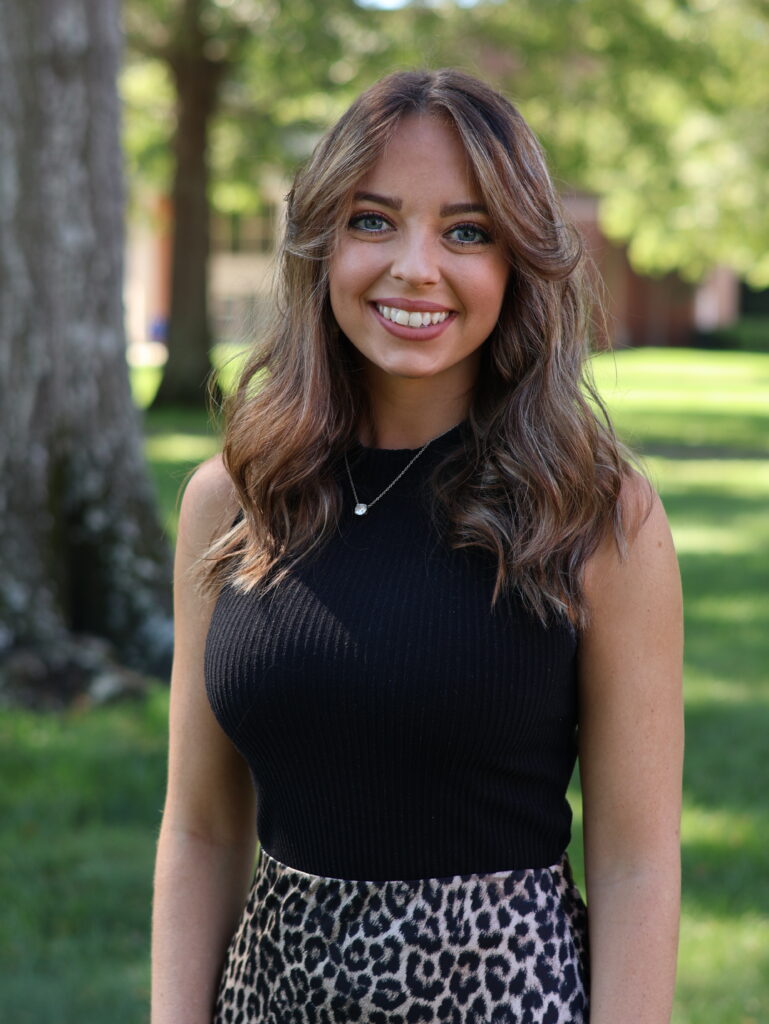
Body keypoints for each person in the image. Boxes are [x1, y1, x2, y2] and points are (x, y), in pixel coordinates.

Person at [151, 69, 683, 1024]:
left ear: (517, 260)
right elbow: (198, 830)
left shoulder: (597, 514)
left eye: (466, 231)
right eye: (373, 220)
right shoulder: (231, 501)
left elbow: (638, 863)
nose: (415, 267)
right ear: (320, 240)